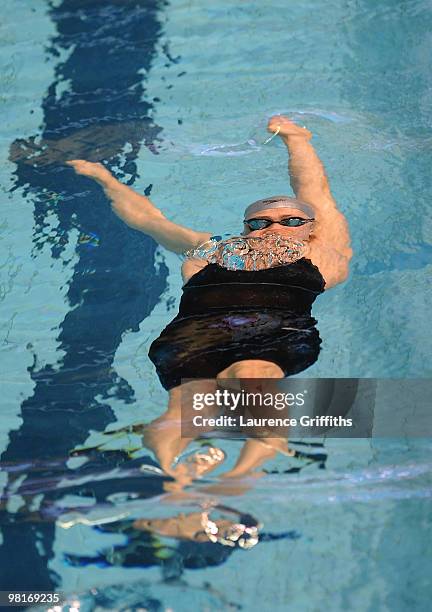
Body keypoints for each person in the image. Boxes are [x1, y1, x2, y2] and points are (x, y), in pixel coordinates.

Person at [67, 115, 352, 474]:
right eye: (260, 222)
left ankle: (237, 474)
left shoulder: (321, 251)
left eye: (291, 220)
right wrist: (103, 178)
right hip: (194, 338)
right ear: (245, 229)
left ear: (311, 228)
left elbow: (315, 192)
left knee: (251, 375)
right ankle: (172, 478)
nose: (273, 227)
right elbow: (150, 221)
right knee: (187, 409)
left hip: (273, 335)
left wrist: (296, 141)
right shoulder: (211, 249)